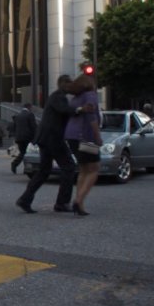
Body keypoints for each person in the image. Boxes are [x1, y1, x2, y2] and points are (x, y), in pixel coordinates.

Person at [16, 74, 94, 214]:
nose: (71, 87)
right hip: (53, 138)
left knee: (44, 171)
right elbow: (64, 110)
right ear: (62, 84)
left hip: (46, 138)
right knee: (69, 166)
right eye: (69, 84)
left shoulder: (57, 96)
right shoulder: (58, 96)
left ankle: (25, 199)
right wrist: (81, 109)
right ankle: (62, 203)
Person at [64, 75, 102, 216]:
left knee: (83, 169)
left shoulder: (75, 99)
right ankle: (78, 200)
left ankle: (80, 203)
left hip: (72, 136)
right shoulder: (90, 96)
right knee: (94, 168)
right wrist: (97, 136)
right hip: (86, 136)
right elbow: (91, 118)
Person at [10, 103, 37, 174]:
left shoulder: (18, 115)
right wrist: (36, 137)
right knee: (27, 153)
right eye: (31, 107)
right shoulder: (30, 115)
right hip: (28, 137)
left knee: (23, 152)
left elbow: (14, 127)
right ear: (29, 107)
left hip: (19, 138)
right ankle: (22, 166)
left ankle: (16, 164)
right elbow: (33, 127)